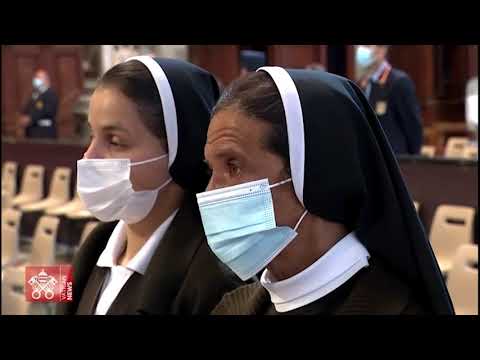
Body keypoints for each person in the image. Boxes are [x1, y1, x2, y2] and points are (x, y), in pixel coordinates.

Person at [197, 67, 454, 315]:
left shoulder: (399, 309)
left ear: (313, 174)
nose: (211, 191)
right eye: (211, 171)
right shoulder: (231, 306)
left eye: (233, 165)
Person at [57, 57, 241, 315]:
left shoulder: (215, 281)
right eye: (91, 135)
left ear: (180, 153)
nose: (89, 156)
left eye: (115, 141)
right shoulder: (97, 244)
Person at [355, 45, 423, 155]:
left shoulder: (399, 82)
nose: (361, 49)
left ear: (381, 49)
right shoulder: (361, 83)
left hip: (394, 159)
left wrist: (412, 162)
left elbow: (413, 127)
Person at [20, 69, 58, 139]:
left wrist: (31, 118)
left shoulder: (50, 94)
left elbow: (48, 111)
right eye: (36, 77)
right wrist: (24, 116)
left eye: (39, 77)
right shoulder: (34, 95)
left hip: (44, 132)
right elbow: (28, 108)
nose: (36, 80)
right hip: (32, 131)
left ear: (46, 79)